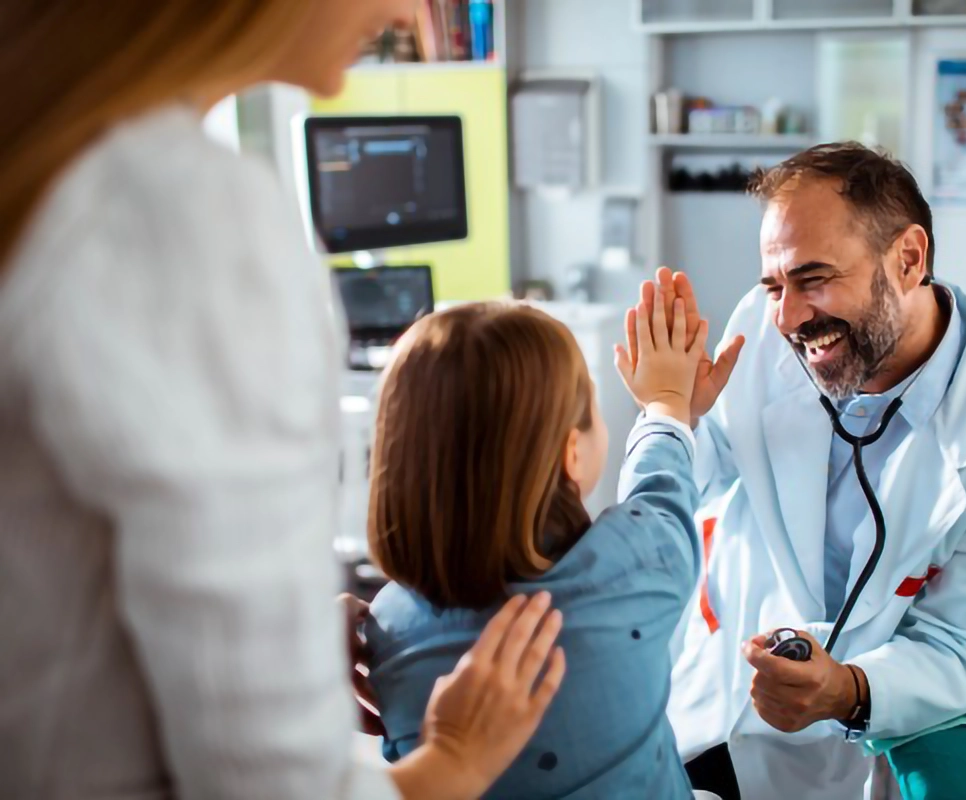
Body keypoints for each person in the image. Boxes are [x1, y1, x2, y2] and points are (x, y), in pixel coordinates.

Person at [0, 2, 565, 798]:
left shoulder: (49, 163)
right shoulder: (184, 213)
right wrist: (459, 756)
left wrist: (280, 638)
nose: (408, 11)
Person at [623, 144, 966, 800]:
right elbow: (676, 496)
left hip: (842, 739)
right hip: (711, 686)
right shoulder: (764, 326)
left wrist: (849, 689)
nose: (784, 317)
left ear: (908, 260)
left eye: (813, 280)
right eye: (773, 285)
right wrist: (672, 415)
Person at [362, 299, 708, 799]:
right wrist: (668, 399)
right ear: (572, 453)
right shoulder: (639, 563)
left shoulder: (383, 631)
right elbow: (663, 483)